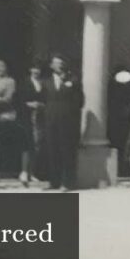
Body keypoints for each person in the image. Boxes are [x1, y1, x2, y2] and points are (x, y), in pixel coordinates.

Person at [43, 53, 83, 191]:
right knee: (52, 150)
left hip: (67, 121)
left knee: (66, 150)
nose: (59, 65)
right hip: (50, 120)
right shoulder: (46, 82)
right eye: (56, 62)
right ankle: (53, 181)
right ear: (51, 66)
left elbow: (80, 101)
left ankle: (67, 182)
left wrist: (71, 114)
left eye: (61, 62)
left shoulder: (74, 80)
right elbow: (43, 100)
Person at [18, 58, 47, 186]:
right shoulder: (24, 83)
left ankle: (33, 172)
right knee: (27, 143)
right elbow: (19, 100)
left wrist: (40, 104)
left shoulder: (43, 83)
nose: (36, 71)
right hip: (27, 116)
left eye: (38, 69)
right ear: (30, 70)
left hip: (40, 116)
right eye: (34, 68)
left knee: (37, 145)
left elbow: (46, 99)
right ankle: (24, 171)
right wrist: (29, 104)